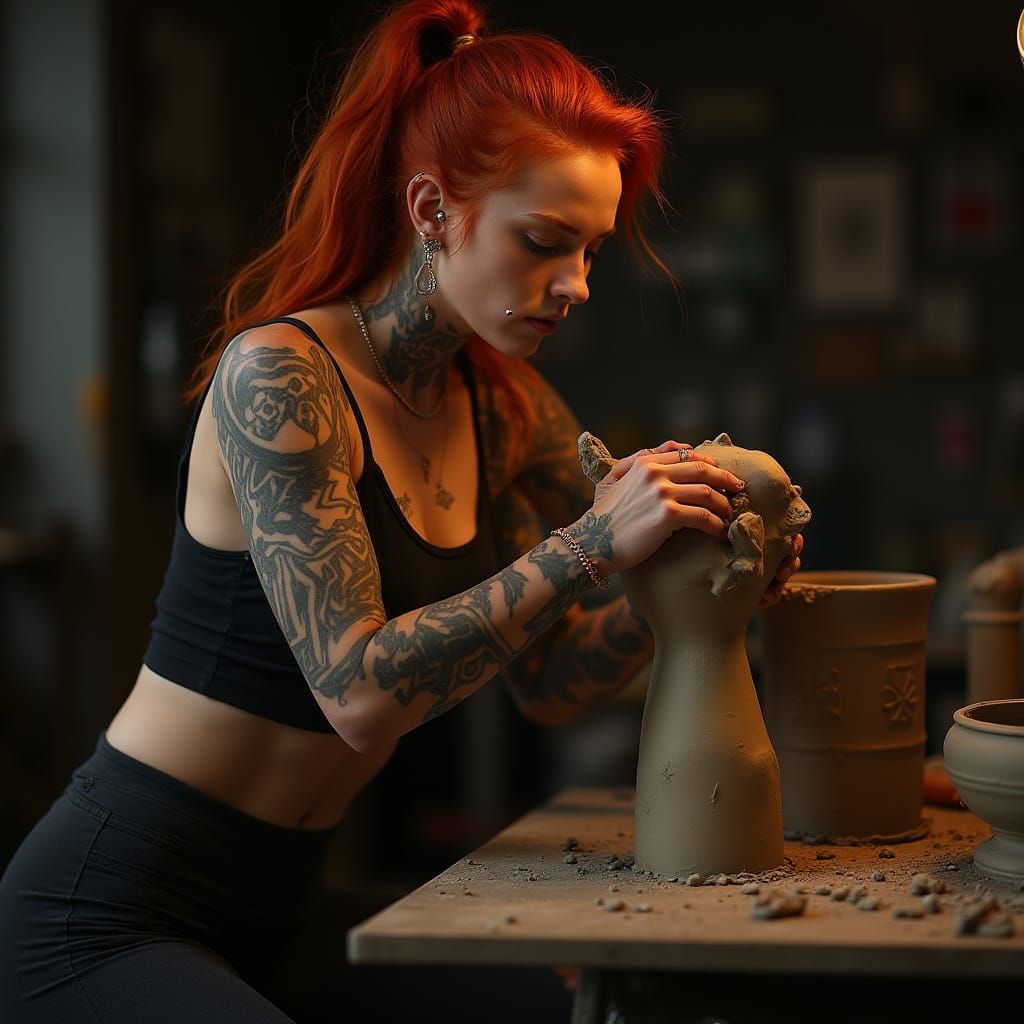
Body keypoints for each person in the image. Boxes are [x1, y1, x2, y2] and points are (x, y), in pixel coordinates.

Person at [0, 1, 802, 1020]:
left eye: (592, 251)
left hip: (285, 909)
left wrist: (697, 592)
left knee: (593, 1009)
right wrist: (595, 542)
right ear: (432, 210)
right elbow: (360, 691)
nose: (576, 285)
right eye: (543, 241)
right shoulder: (281, 377)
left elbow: (552, 681)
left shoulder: (505, 409)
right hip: (110, 911)